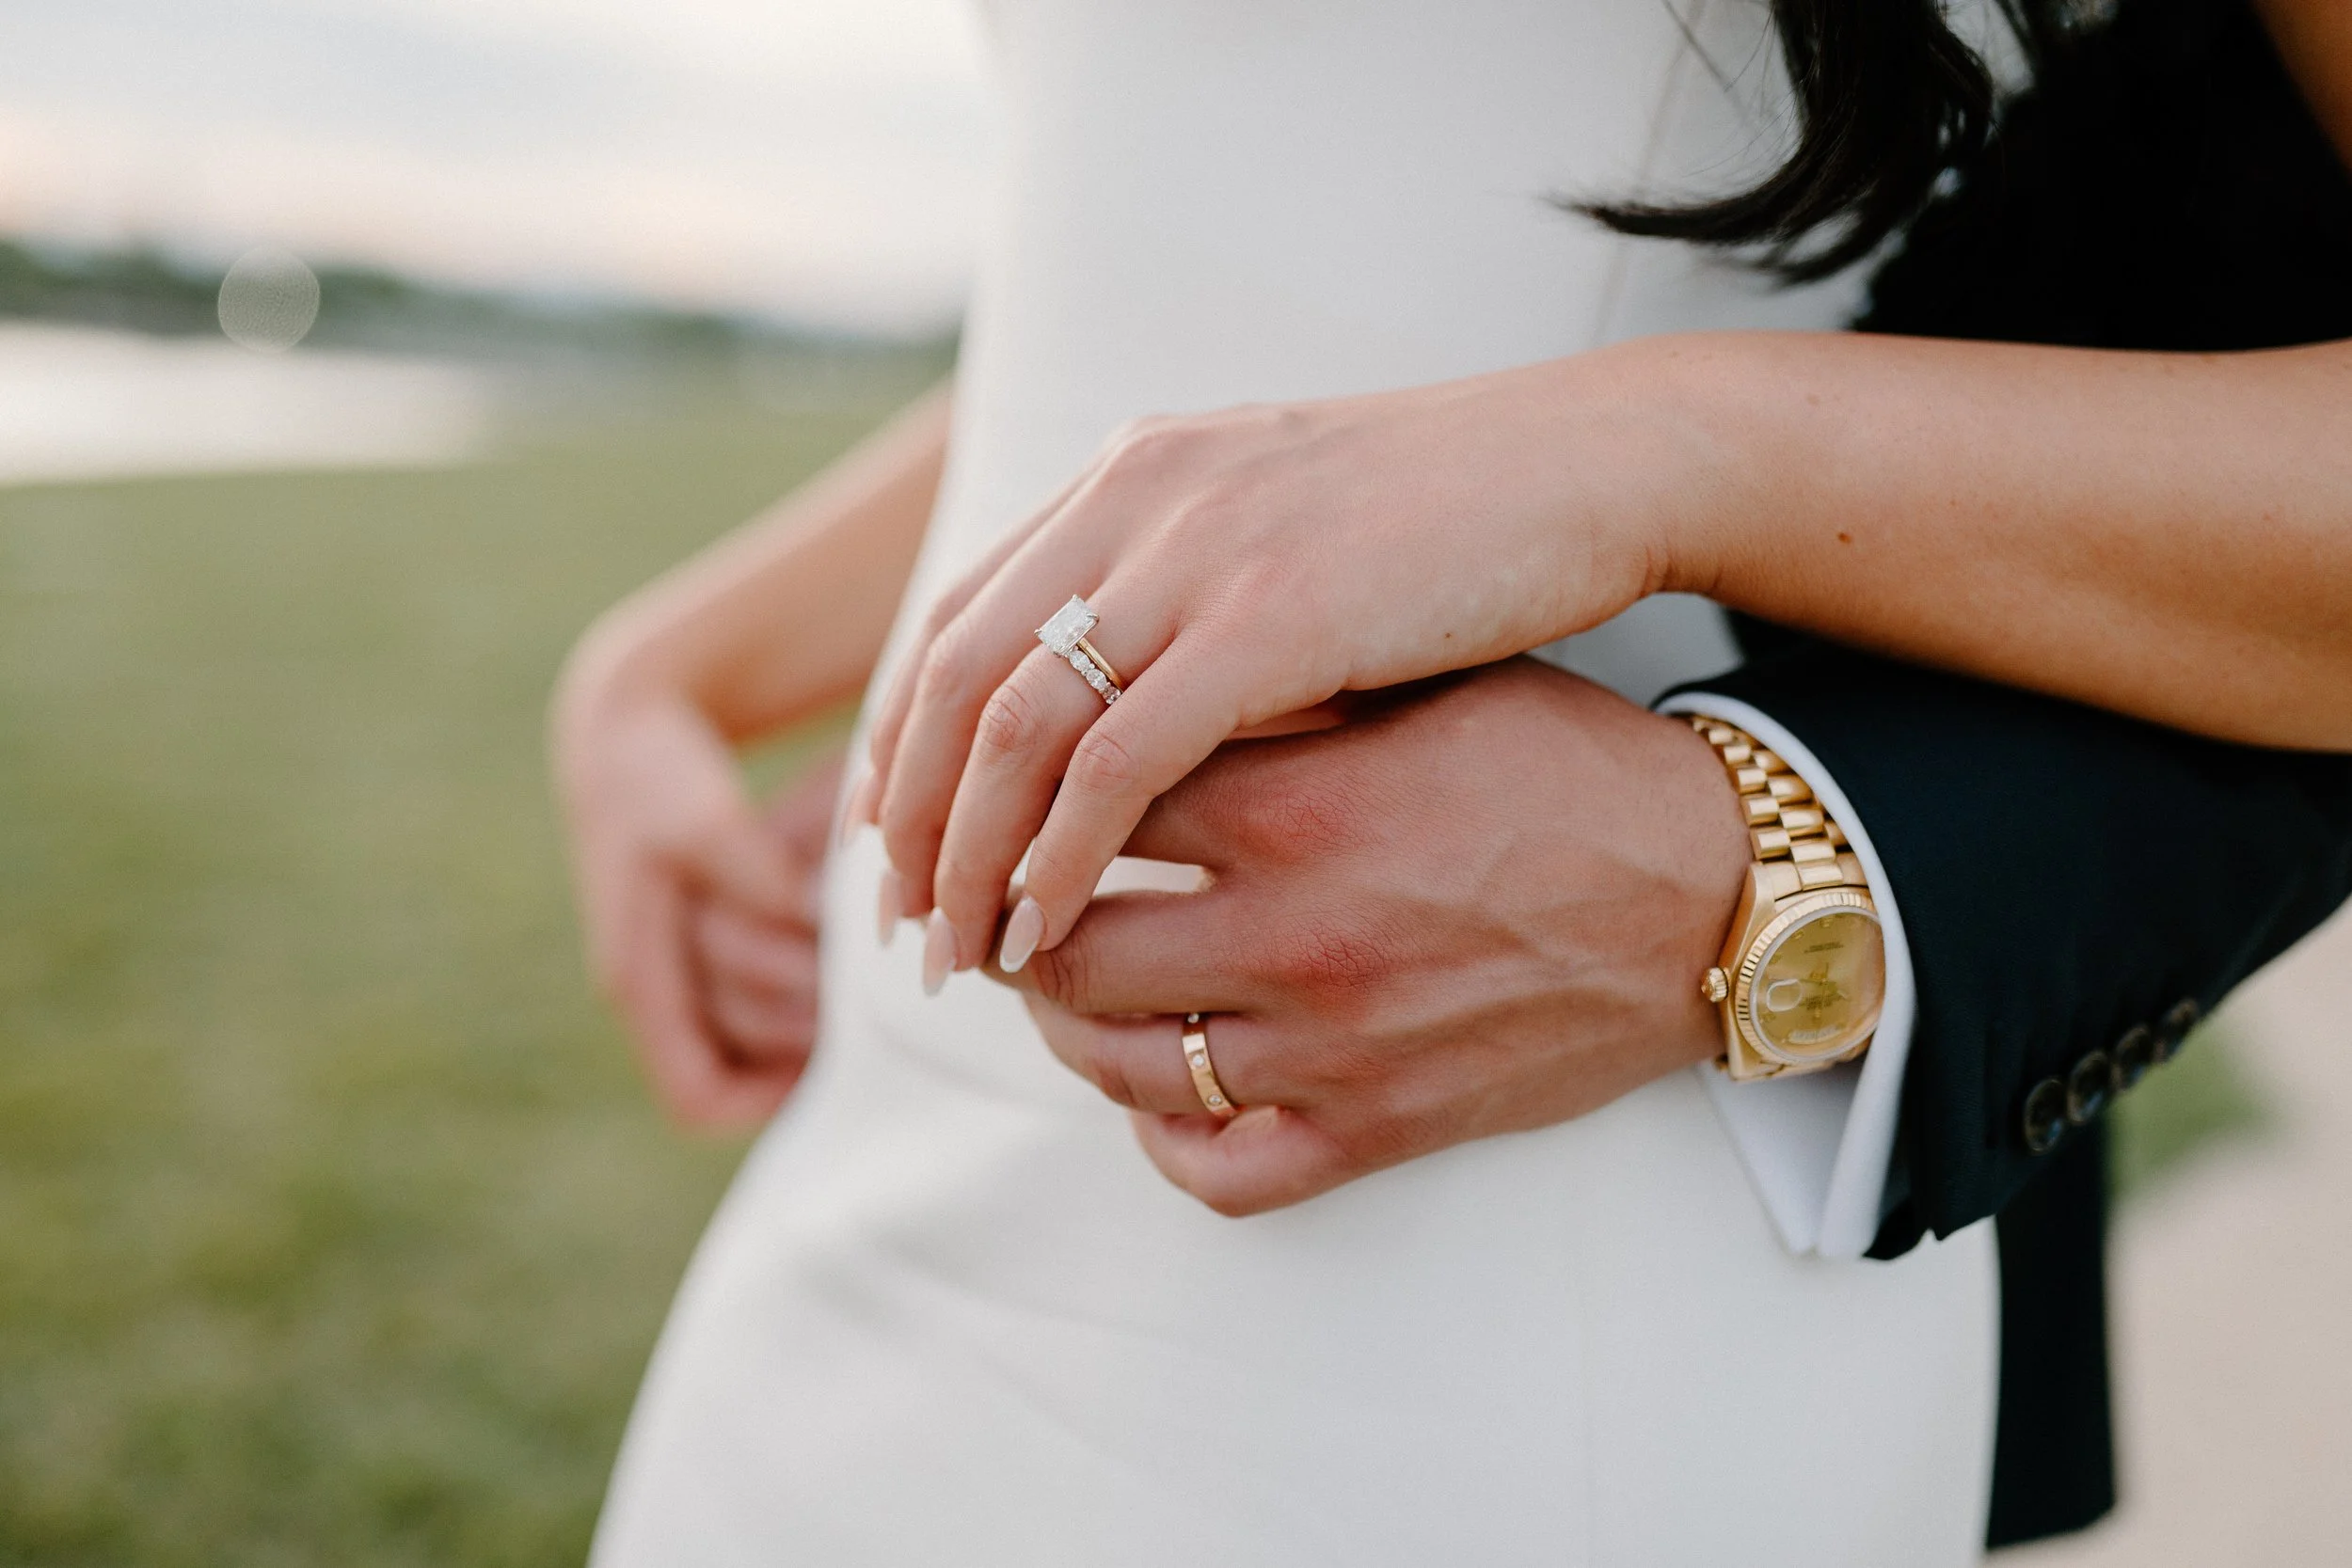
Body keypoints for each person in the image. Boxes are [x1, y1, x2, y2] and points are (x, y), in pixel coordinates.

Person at [555, 0, 2352, 1560]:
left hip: (1499, 1216)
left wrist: (1659, 452)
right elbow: (1200, 236)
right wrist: (671, 664)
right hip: (876, 1175)